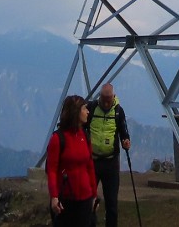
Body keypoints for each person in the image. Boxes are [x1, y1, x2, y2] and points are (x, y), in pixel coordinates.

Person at [46, 94, 98, 227]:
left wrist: (94, 195)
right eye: (84, 108)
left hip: (85, 199)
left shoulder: (85, 136)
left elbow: (90, 166)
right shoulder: (58, 139)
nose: (88, 112)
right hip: (65, 200)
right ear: (76, 112)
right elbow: (51, 170)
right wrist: (54, 197)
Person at [87, 83, 131, 227]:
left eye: (109, 99)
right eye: (104, 99)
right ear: (100, 96)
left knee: (111, 202)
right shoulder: (91, 108)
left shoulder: (118, 111)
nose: (106, 102)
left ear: (114, 97)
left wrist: (126, 141)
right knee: (89, 200)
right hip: (92, 161)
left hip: (111, 162)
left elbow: (124, 131)